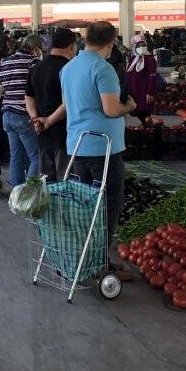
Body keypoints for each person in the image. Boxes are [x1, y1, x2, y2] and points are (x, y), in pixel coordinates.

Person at [60, 21, 136, 250]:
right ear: (112, 42)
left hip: (76, 144)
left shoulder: (69, 68)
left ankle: (84, 252)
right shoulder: (103, 68)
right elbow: (111, 109)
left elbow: (66, 104)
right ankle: (100, 260)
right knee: (108, 204)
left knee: (85, 203)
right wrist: (129, 107)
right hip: (102, 148)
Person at [0, 34, 42, 187]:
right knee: (36, 157)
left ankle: (16, 192)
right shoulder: (33, 62)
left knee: (16, 156)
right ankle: (28, 194)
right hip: (23, 115)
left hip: (6, 114)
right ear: (35, 48)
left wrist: (8, 79)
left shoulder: (5, 61)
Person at [25, 28, 76, 180]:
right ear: (72, 46)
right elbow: (69, 102)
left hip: (43, 135)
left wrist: (36, 119)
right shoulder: (69, 69)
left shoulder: (36, 68)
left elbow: (28, 97)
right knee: (65, 182)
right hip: (64, 136)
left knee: (46, 182)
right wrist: (49, 121)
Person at [126, 36, 159, 125]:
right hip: (134, 91)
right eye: (139, 46)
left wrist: (150, 92)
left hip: (144, 91)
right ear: (135, 47)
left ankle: (147, 128)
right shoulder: (133, 58)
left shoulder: (150, 59)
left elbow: (152, 76)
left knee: (144, 111)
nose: (141, 48)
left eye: (143, 45)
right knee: (136, 111)